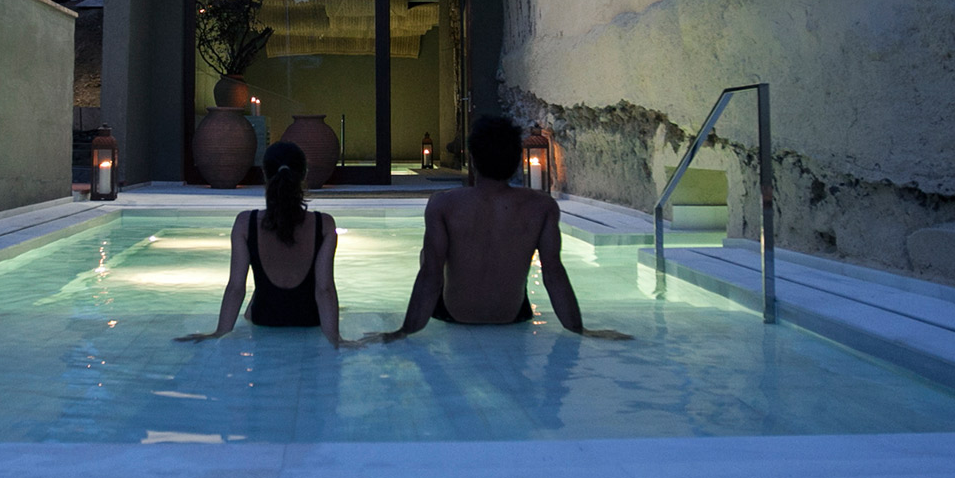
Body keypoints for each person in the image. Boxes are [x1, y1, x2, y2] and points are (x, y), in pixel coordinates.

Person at [381, 115, 631, 341]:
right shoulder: (541, 206)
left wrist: (404, 331)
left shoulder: (444, 204)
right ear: (517, 160)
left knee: (428, 256)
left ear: (473, 159)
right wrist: (579, 329)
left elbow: (431, 275)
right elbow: (553, 274)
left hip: (454, 314)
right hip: (512, 315)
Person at [177, 140, 351, 347]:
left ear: (265, 176)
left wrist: (220, 333)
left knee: (255, 298)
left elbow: (236, 287)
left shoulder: (245, 223)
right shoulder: (324, 224)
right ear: (304, 175)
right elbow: (324, 289)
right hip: (308, 319)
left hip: (264, 318)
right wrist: (336, 340)